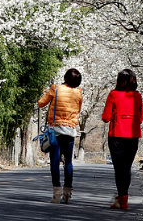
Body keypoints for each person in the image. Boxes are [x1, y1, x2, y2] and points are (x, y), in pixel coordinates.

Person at [37, 68, 83, 204]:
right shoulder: (78, 92)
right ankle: (67, 193)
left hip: (55, 130)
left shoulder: (55, 88)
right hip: (69, 131)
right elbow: (78, 109)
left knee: (55, 161)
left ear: (65, 77)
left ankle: (56, 194)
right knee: (68, 162)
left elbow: (41, 103)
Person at [101, 69, 143, 210]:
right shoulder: (138, 97)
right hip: (133, 136)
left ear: (120, 80)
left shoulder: (113, 95)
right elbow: (141, 119)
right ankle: (123, 200)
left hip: (117, 136)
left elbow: (105, 118)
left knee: (119, 170)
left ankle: (122, 200)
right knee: (127, 168)